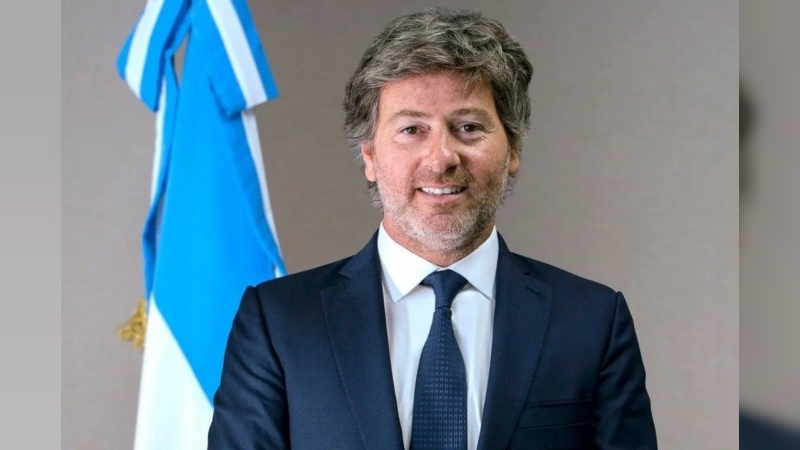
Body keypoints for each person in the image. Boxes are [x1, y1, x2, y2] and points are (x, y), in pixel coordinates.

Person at [208, 7, 657, 449]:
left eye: (468, 127)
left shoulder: (592, 321)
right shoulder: (279, 322)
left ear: (513, 148)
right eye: (411, 130)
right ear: (369, 156)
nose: (442, 158)